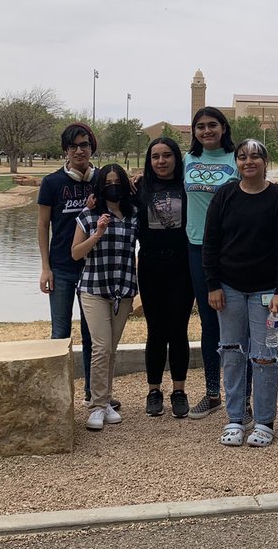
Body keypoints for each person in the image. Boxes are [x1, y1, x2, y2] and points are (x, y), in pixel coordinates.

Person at [202, 139, 278, 448]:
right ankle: (235, 418)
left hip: (267, 292)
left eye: (255, 156)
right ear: (236, 163)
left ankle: (265, 421)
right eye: (242, 157)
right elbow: (211, 243)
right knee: (231, 351)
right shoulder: (225, 196)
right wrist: (213, 284)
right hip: (229, 288)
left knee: (265, 356)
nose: (248, 162)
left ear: (266, 162)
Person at [37, 122, 102, 405]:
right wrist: (45, 267)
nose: (79, 151)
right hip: (62, 268)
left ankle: (92, 394)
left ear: (91, 148)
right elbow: (42, 227)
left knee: (92, 335)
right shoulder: (52, 183)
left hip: (93, 270)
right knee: (60, 333)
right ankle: (57, 396)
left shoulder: (100, 180)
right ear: (65, 150)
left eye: (84, 145)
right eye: (73, 146)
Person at [71, 164, 139, 431]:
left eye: (117, 181)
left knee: (111, 348)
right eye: (107, 182)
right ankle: (97, 406)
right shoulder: (88, 215)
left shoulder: (133, 217)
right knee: (100, 347)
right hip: (93, 289)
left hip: (122, 290)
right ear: (100, 185)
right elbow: (75, 253)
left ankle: (106, 399)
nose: (113, 186)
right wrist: (97, 234)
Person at [183, 106, 240, 419]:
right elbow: (163, 184)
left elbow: (254, 188)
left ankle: (240, 395)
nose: (206, 131)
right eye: (200, 126)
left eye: (212, 125)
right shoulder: (188, 160)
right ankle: (212, 392)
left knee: (235, 321)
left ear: (223, 127)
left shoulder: (235, 159)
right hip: (196, 247)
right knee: (208, 322)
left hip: (231, 250)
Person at [136, 137, 195, 418]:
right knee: (156, 330)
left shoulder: (187, 187)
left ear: (176, 158)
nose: (161, 161)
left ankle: (179, 390)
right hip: (150, 267)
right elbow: (108, 196)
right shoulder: (139, 188)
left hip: (181, 267)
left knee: (178, 330)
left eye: (167, 155)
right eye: (155, 156)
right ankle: (154, 390)